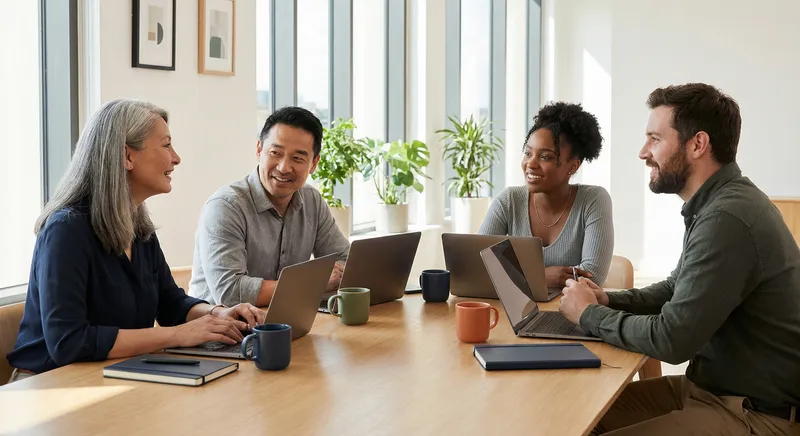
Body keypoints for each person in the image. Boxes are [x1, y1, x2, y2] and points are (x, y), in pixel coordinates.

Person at [560, 83, 800, 434]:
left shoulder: (728, 218)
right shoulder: (718, 204)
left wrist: (589, 314)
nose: (643, 152)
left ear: (697, 144)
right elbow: (676, 288)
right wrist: (609, 299)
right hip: (708, 393)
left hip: (754, 414)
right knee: (574, 416)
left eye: (655, 139)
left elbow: (672, 339)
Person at [7, 99, 265, 383]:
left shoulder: (139, 227)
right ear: (126, 156)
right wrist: (178, 335)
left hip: (115, 374)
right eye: (166, 145)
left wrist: (218, 313)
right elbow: (69, 342)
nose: (176, 158)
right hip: (48, 386)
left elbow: (171, 304)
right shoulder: (65, 230)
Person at [190, 106, 349, 307]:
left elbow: (346, 261)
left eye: (298, 158)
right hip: (219, 331)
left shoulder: (311, 201)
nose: (283, 167)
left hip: (283, 321)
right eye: (276, 153)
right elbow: (231, 292)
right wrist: (313, 283)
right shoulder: (225, 207)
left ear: (314, 163)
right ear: (259, 150)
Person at [478, 102, 614, 288]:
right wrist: (540, 277)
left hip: (574, 314)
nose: (530, 164)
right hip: (515, 314)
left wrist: (515, 278)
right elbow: (479, 267)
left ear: (573, 166)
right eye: (528, 153)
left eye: (545, 157)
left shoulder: (593, 200)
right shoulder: (508, 200)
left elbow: (592, 276)